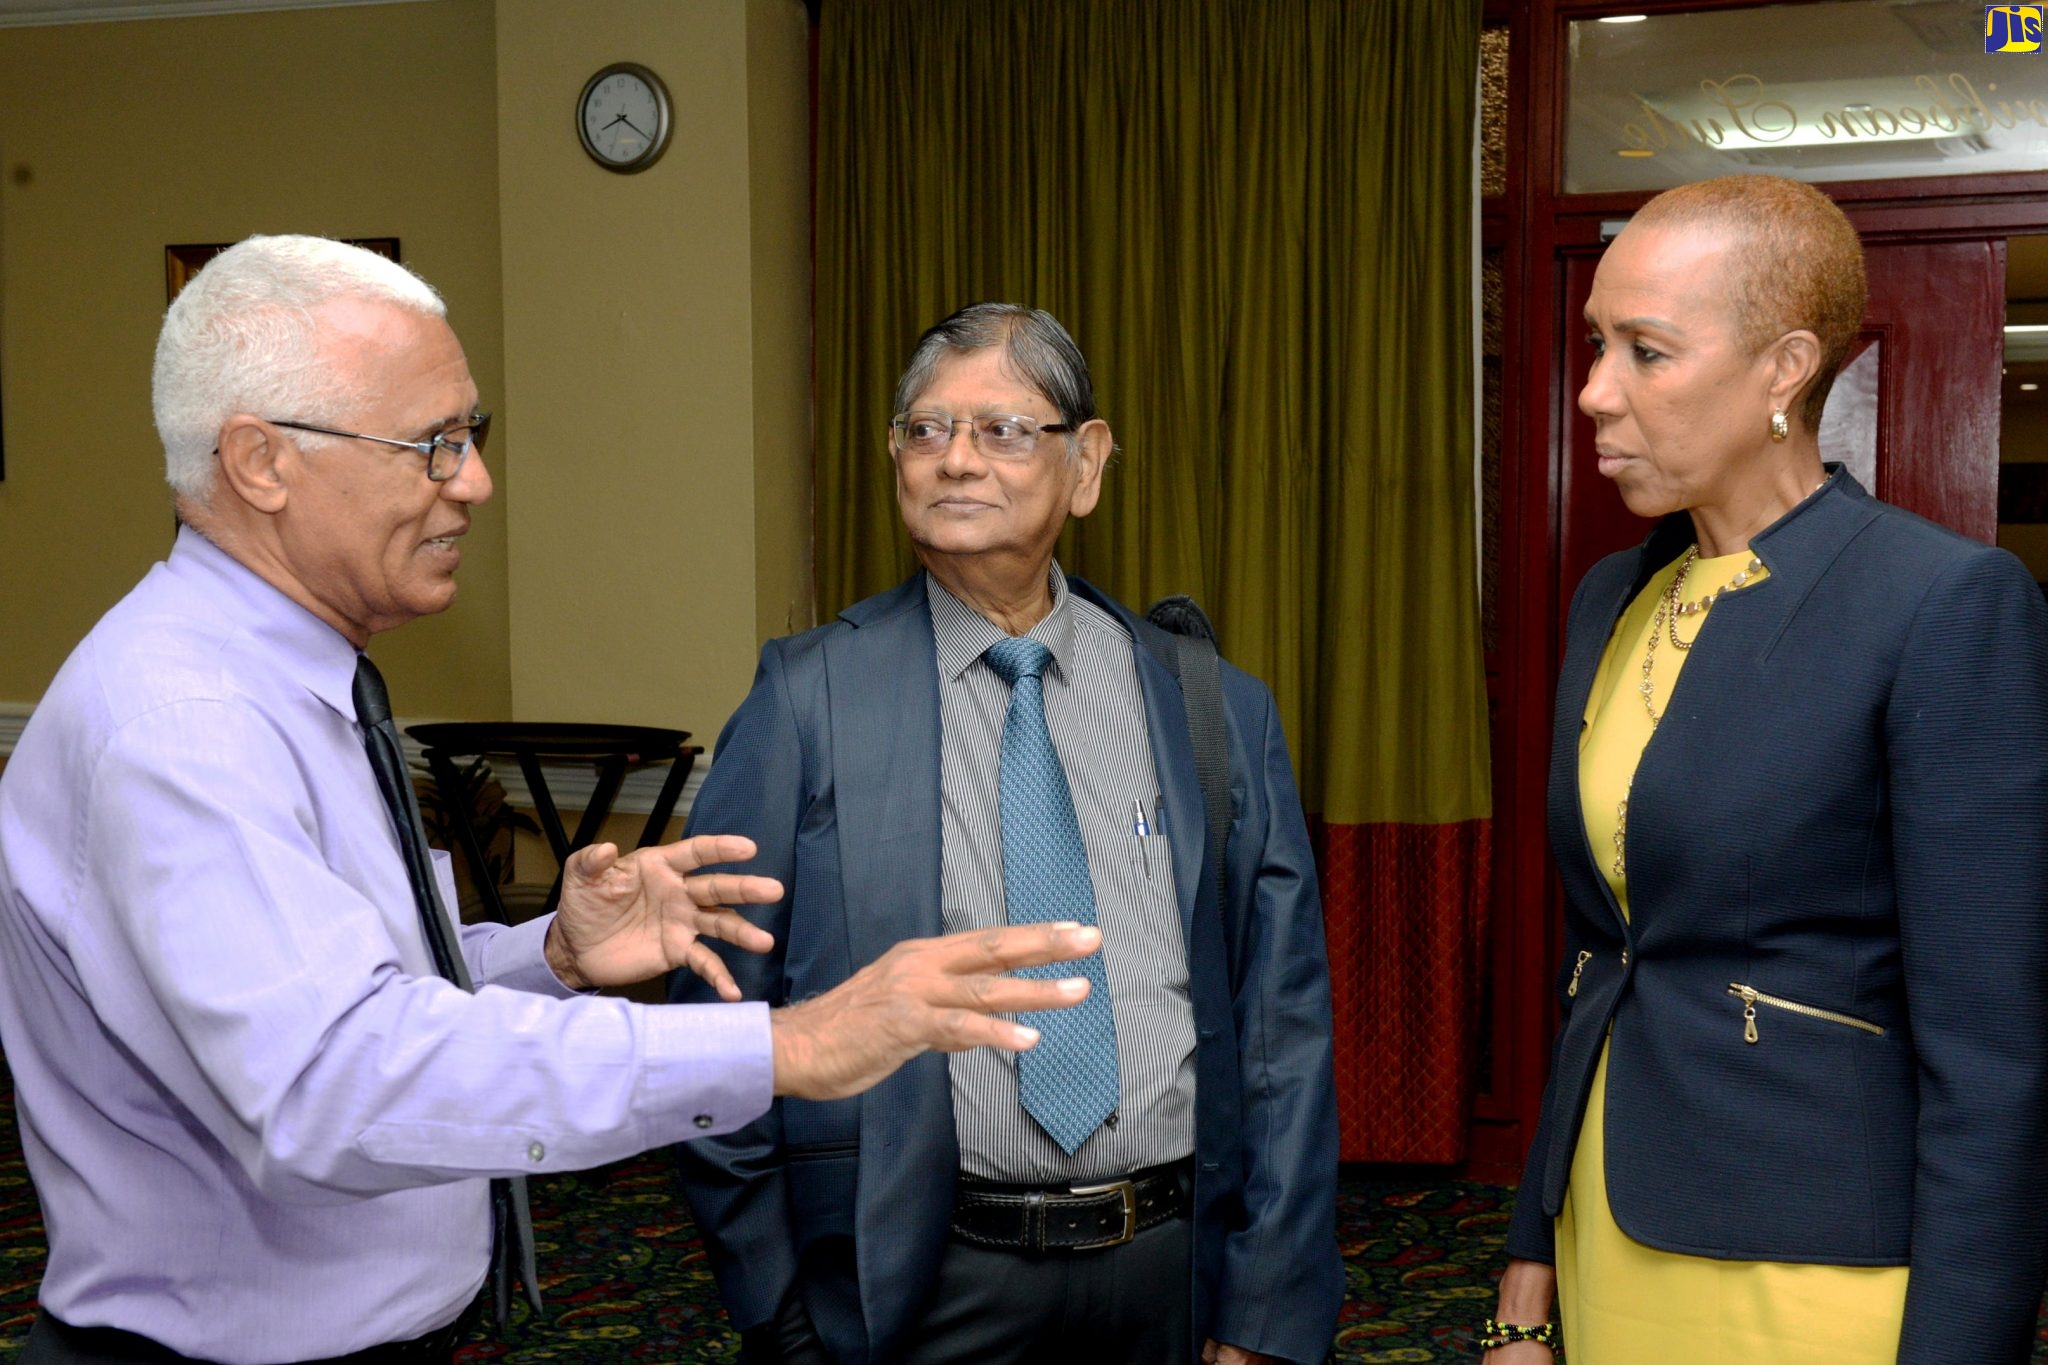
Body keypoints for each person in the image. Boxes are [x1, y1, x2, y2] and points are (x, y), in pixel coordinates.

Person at [0, 236, 1105, 1365]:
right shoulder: (186, 724)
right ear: (260, 462)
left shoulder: (283, 688)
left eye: (471, 436)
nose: (474, 481)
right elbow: (333, 1082)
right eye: (433, 444)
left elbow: (351, 996)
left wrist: (552, 956)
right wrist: (785, 1045)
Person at [669, 303, 1342, 1365]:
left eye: (1004, 430)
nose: (955, 460)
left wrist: (1263, 1308)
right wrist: (783, 1317)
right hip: (914, 1289)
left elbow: (1280, 1031)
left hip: (1170, 1274)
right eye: (925, 430)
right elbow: (711, 1017)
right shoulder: (808, 701)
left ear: (1087, 463)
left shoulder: (1206, 704)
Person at [1482, 176, 2048, 1364]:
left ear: (1783, 369)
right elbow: (1598, 963)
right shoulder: (1614, 594)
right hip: (1605, 1231)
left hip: (1811, 1262)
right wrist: (1527, 1262)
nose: (1593, 392)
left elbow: (1991, 1053)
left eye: (1644, 351)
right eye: (1594, 345)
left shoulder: (1938, 603)